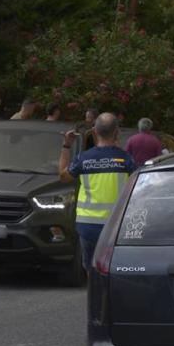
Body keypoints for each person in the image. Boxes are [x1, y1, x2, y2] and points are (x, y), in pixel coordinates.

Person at [58, 113, 135, 270]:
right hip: (116, 225)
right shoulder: (125, 159)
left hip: (88, 226)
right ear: (117, 132)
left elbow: (63, 177)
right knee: (114, 267)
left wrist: (66, 146)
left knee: (92, 268)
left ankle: (93, 286)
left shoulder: (83, 159)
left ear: (94, 131)